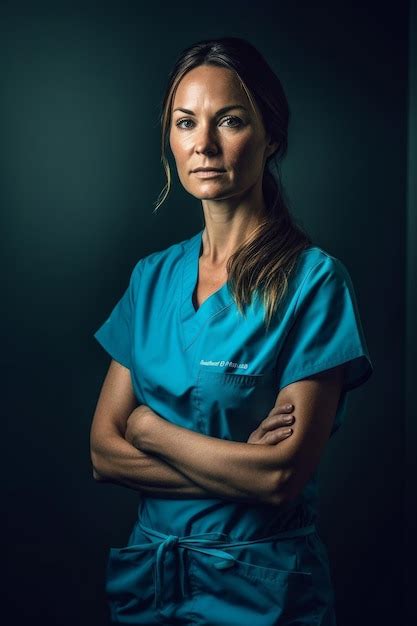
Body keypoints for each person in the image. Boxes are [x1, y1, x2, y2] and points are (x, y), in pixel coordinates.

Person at [90, 36, 374, 626]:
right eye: (186, 122)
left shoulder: (314, 283)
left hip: (259, 592)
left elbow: (279, 478)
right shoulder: (152, 278)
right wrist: (235, 466)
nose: (205, 144)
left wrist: (149, 429)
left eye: (231, 121)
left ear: (271, 136)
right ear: (170, 140)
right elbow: (103, 454)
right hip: (150, 583)